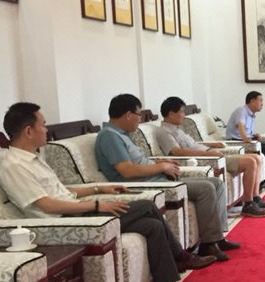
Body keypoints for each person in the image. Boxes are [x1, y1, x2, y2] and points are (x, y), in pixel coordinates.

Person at [0, 103, 212, 282]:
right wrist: (97, 205)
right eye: (43, 125)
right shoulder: (15, 166)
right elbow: (47, 205)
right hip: (68, 222)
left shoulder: (34, 159)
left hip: (77, 212)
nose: (46, 130)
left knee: (153, 226)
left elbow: (62, 191)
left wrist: (99, 189)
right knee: (146, 205)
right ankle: (181, 257)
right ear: (29, 131)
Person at [94, 94, 240, 262]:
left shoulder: (121, 134)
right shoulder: (110, 136)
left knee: (216, 183)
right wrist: (161, 167)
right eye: (138, 115)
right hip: (145, 185)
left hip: (156, 178)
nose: (139, 120)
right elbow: (127, 171)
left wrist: (161, 163)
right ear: (128, 114)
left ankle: (217, 239)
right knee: (205, 188)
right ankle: (208, 245)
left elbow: (137, 162)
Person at [157, 96, 265, 218]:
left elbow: (194, 144)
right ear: (171, 113)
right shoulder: (164, 131)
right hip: (206, 160)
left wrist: (211, 145)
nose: (184, 115)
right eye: (181, 112)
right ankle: (248, 204)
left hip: (210, 154)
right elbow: (177, 152)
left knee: (256, 158)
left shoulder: (177, 129)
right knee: (250, 162)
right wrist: (208, 154)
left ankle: (255, 197)